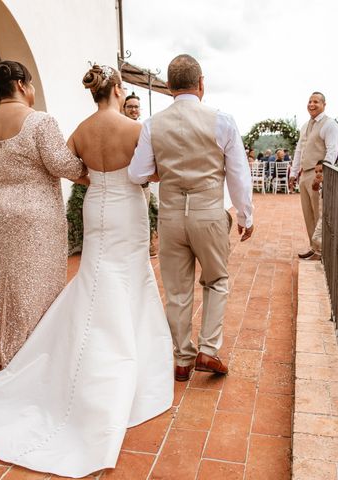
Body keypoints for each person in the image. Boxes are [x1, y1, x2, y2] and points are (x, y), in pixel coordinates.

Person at [0, 64, 173, 477]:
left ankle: (24, 346)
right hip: (125, 208)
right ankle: (125, 352)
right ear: (117, 89)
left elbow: (70, 165)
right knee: (129, 275)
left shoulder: (75, 129)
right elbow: (148, 172)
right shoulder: (134, 129)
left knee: (91, 277)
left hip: (82, 210)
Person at [129, 54, 254, 382]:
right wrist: (245, 215)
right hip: (209, 214)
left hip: (171, 218)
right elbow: (238, 174)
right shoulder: (221, 120)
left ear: (169, 87)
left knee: (177, 289)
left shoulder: (153, 125)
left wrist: (164, 171)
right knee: (216, 280)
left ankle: (182, 359)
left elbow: (137, 172)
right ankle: (208, 351)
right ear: (201, 84)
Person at [0, 60, 88, 367]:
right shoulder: (40, 121)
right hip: (37, 211)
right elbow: (62, 165)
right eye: (31, 85)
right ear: (22, 85)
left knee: (6, 281)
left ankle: (9, 345)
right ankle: (36, 348)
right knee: (39, 280)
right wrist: (88, 172)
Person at [288, 91, 338, 261]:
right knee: (308, 213)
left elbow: (332, 150)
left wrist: (323, 173)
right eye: (310, 101)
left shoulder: (330, 124)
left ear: (324, 104)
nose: (311, 104)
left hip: (317, 174)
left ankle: (323, 249)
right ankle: (314, 247)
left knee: (319, 213)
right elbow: (299, 150)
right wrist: (294, 173)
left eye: (316, 101)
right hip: (304, 173)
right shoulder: (305, 126)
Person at [123, 92, 158, 258]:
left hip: (143, 185)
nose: (133, 110)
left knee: (143, 216)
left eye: (136, 107)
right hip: (123, 182)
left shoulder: (145, 129)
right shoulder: (120, 129)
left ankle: (146, 244)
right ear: (123, 109)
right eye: (130, 106)